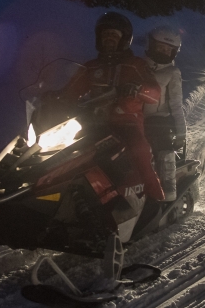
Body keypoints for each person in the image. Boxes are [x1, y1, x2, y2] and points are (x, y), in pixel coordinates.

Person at [57, 12, 165, 201]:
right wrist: (55, 98)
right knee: (64, 154)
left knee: (140, 151)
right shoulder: (91, 67)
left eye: (114, 35)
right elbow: (71, 91)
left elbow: (155, 93)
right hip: (92, 123)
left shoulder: (135, 65)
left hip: (126, 123)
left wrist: (138, 89)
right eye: (105, 35)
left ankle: (155, 198)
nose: (109, 39)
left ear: (124, 39)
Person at [142, 26, 186, 201]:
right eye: (160, 47)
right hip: (132, 116)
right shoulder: (137, 66)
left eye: (168, 50)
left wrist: (181, 133)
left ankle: (168, 189)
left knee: (162, 146)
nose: (164, 52)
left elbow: (176, 104)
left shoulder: (172, 73)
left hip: (158, 119)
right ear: (151, 45)